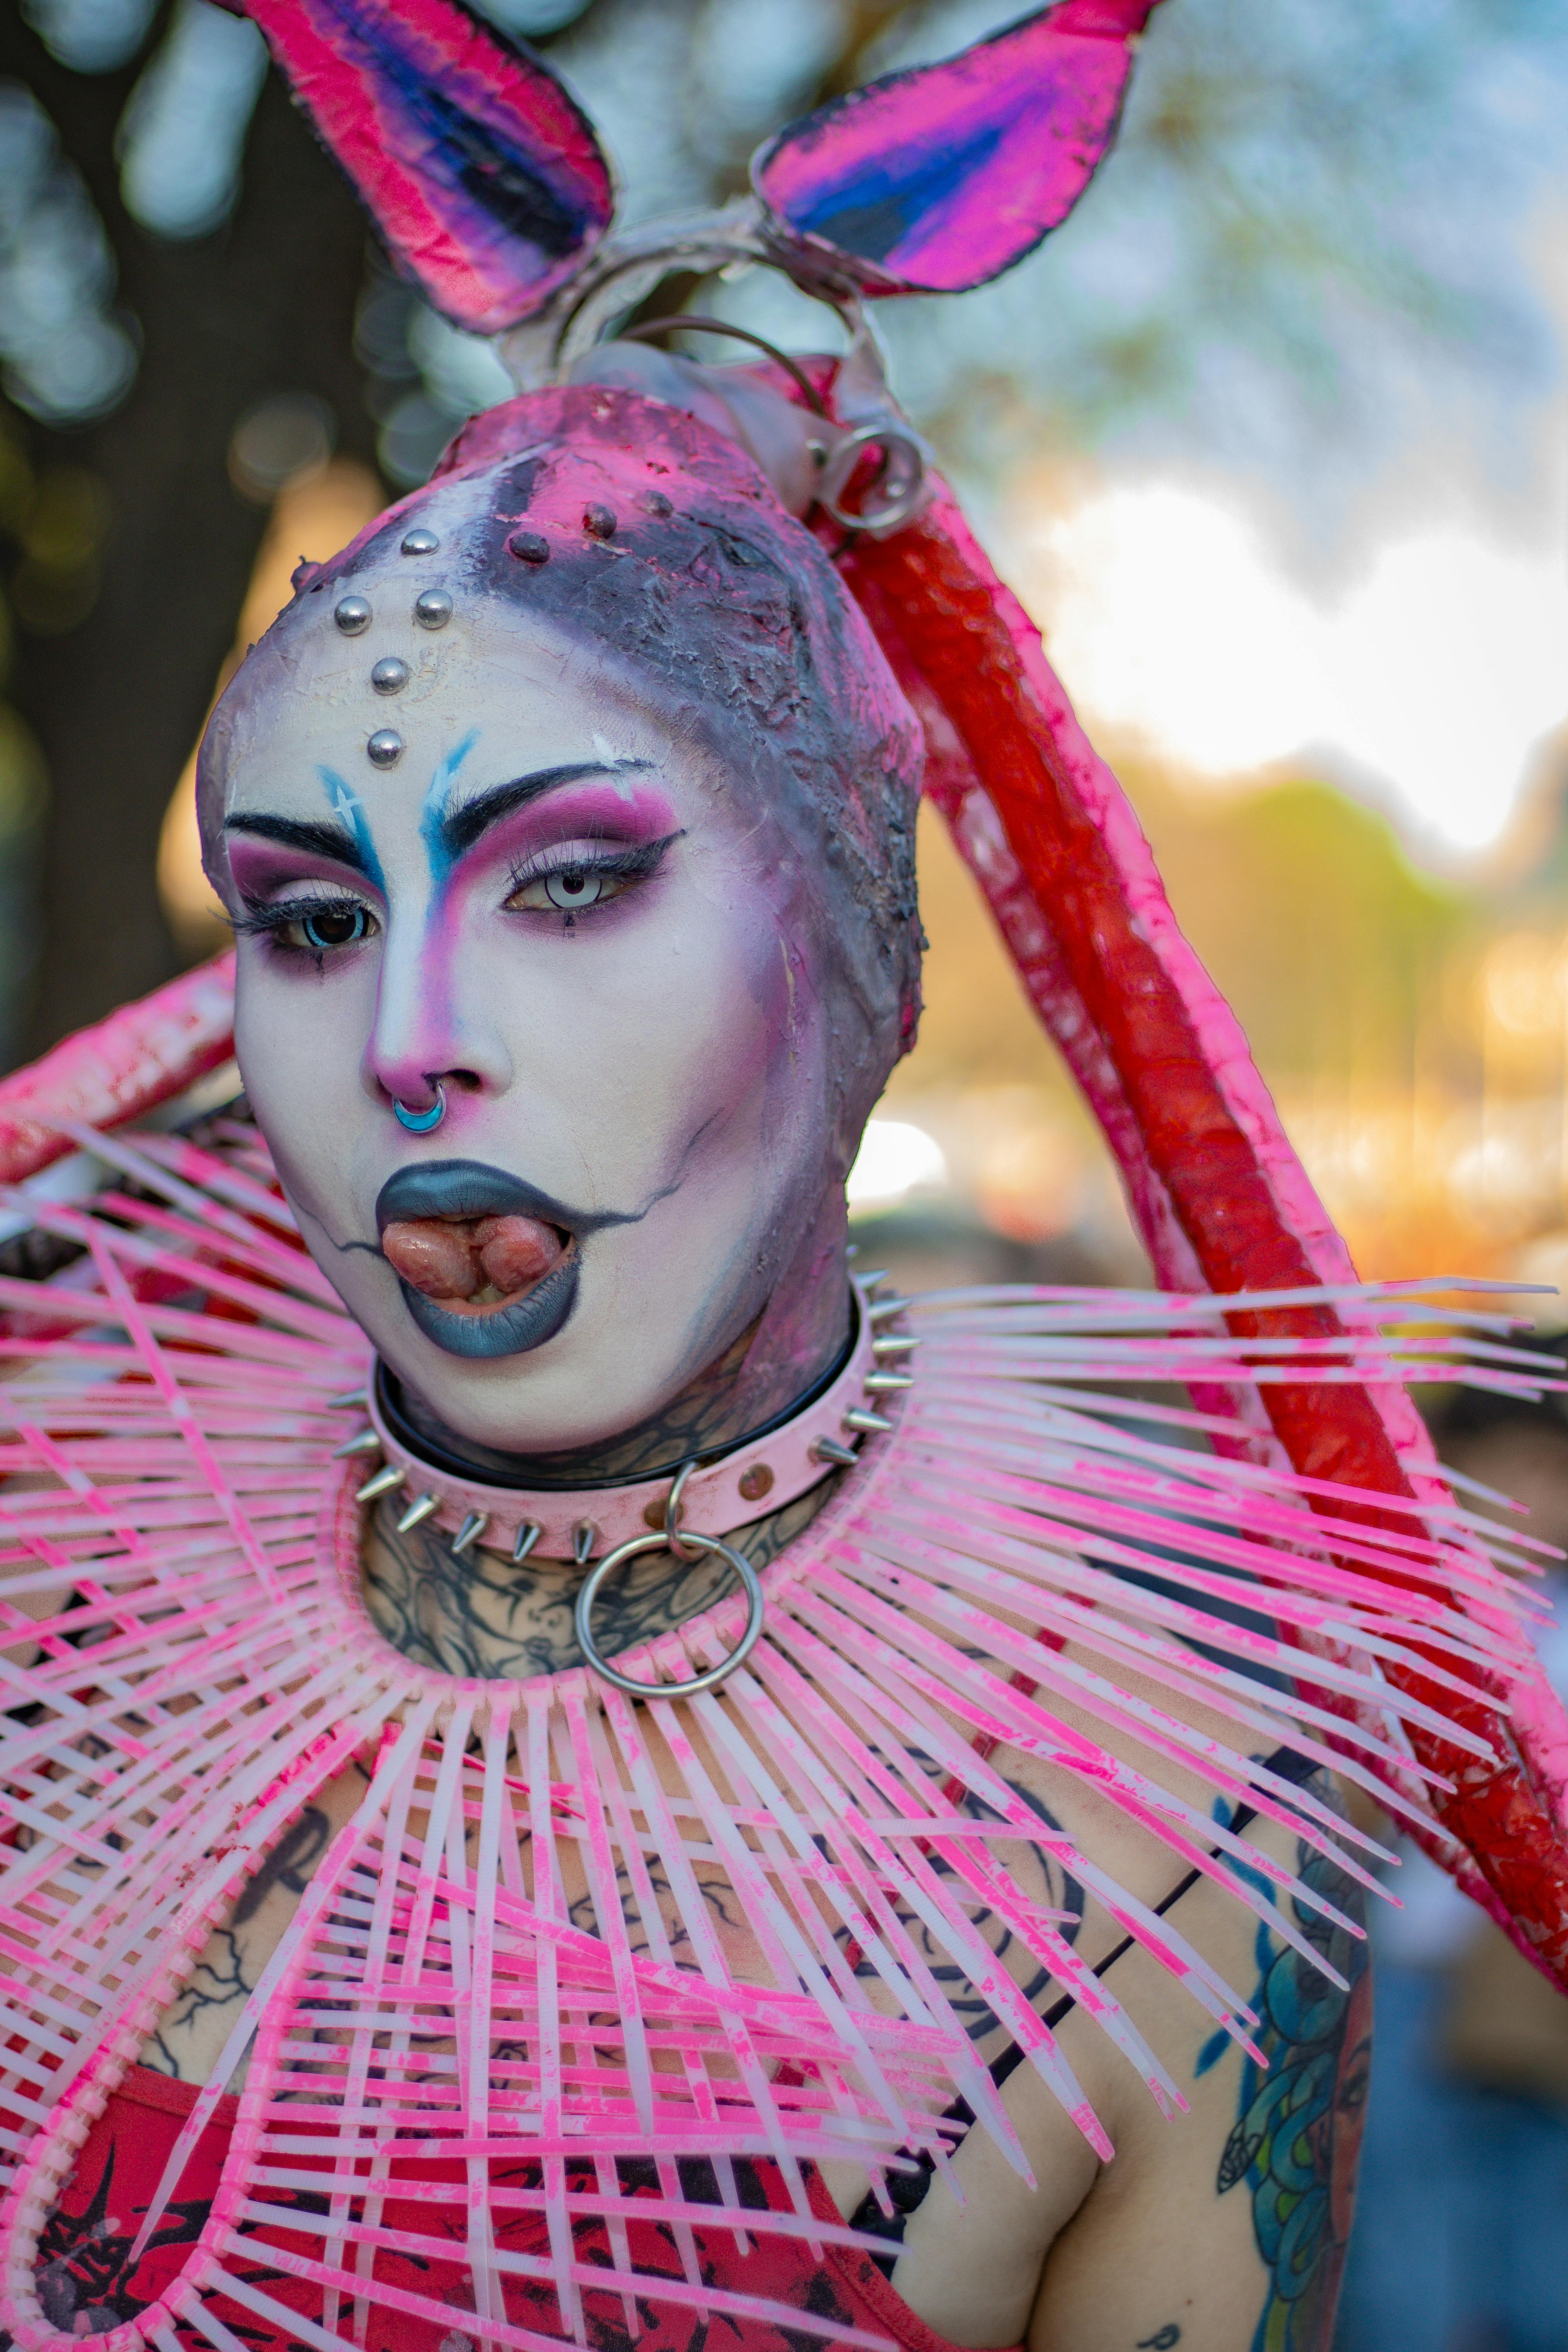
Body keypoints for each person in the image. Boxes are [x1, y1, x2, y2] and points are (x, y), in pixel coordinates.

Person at [0, 6, 1565, 2350]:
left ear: (857, 959)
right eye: (311, 920)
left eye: (567, 883)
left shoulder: (1178, 1822)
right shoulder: (51, 1565)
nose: (411, 1033)